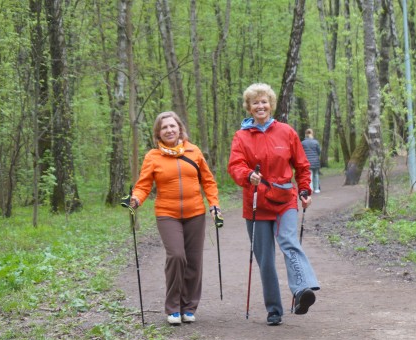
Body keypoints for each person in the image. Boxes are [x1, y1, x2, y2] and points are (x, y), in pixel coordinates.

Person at [228, 83, 320, 326]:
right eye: (255, 102)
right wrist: (248, 175)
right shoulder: (241, 137)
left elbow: (301, 166)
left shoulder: (286, 132)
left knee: (289, 241)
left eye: (264, 101)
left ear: (271, 105)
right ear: (249, 107)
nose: (260, 106)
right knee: (265, 259)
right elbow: (235, 166)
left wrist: (304, 190)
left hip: (284, 199)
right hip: (256, 202)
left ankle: (302, 291)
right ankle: (274, 309)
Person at [130, 111, 221, 325]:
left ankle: (188, 307)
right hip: (167, 214)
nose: (169, 130)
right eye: (164, 128)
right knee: (177, 256)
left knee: (194, 261)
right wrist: (135, 199)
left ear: (179, 128)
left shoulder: (194, 151)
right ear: (158, 133)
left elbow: (208, 181)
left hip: (195, 213)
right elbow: (143, 185)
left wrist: (214, 204)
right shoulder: (153, 156)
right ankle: (173, 307)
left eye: (172, 126)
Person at [301, 128, 321, 193]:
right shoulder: (316, 142)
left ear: (305, 134)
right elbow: (319, 151)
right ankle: (317, 189)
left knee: (310, 175)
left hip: (307, 161)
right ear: (312, 134)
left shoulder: (303, 143)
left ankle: (311, 189)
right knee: (316, 175)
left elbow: (301, 152)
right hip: (316, 161)